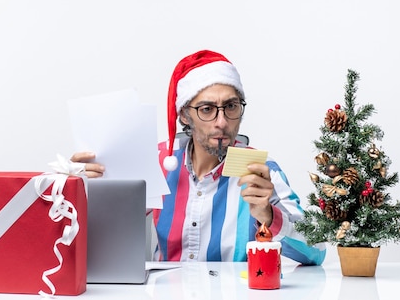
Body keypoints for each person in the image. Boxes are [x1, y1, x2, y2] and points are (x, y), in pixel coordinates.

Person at [72, 50, 326, 265]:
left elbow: (317, 251)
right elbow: (103, 234)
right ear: (184, 115)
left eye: (231, 106)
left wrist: (269, 215)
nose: (222, 122)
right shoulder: (157, 160)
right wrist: (83, 192)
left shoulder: (260, 170)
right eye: (206, 109)